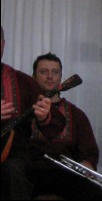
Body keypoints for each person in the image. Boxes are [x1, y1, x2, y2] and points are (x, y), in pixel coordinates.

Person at [29, 52, 102, 201]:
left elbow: (88, 152)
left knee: (93, 191)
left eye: (55, 72)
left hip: (65, 174)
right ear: (33, 76)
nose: (50, 77)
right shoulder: (25, 110)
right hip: (30, 173)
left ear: (61, 77)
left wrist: (86, 166)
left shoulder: (77, 115)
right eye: (43, 72)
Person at [1, 26, 65, 200]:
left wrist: (45, 116)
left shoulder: (22, 82)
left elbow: (56, 124)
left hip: (12, 160)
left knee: (13, 171)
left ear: (3, 44)